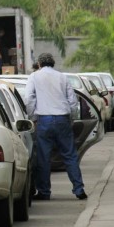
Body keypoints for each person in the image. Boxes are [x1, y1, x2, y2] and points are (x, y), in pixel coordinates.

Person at [25, 52, 87, 200]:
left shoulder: (34, 77)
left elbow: (29, 99)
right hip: (62, 119)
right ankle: (79, 190)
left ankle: (44, 192)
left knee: (43, 158)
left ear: (39, 64)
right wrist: (71, 117)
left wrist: (32, 117)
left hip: (44, 120)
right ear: (53, 63)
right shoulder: (62, 77)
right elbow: (72, 100)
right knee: (70, 155)